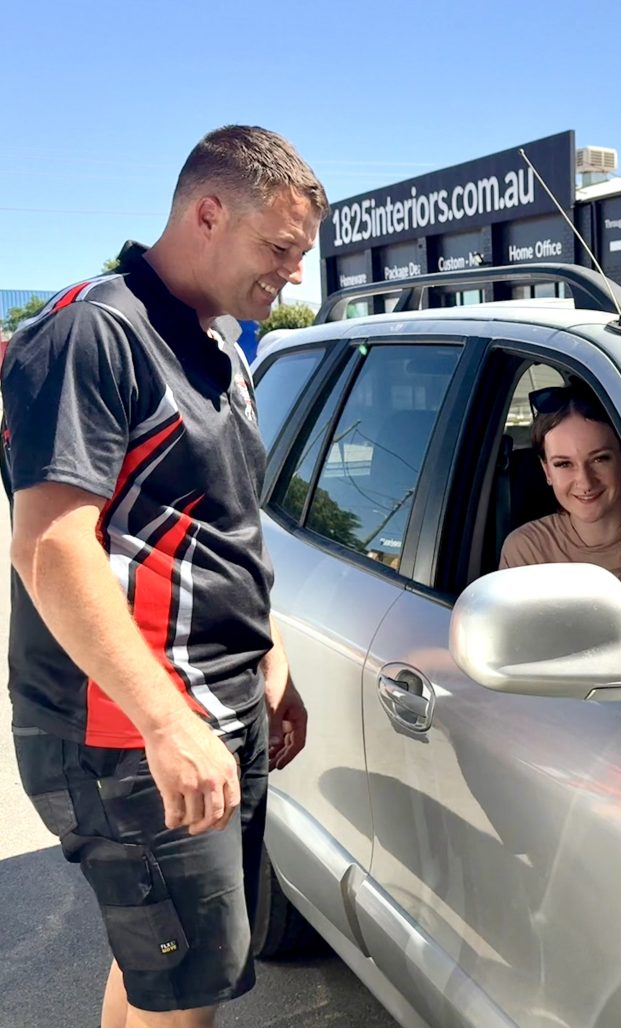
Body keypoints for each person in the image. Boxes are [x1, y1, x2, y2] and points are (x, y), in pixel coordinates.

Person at [1, 125, 327, 1028]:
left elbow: (223, 525)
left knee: (181, 971)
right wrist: (165, 720)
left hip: (216, 705)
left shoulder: (218, 344)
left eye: (301, 255)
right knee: (186, 990)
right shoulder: (92, 334)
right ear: (207, 213)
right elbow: (51, 549)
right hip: (128, 725)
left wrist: (270, 659)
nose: (293, 274)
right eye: (279, 248)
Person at [499, 382, 621, 623]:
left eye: (600, 459)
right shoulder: (527, 552)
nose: (585, 482)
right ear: (547, 471)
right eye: (564, 464)